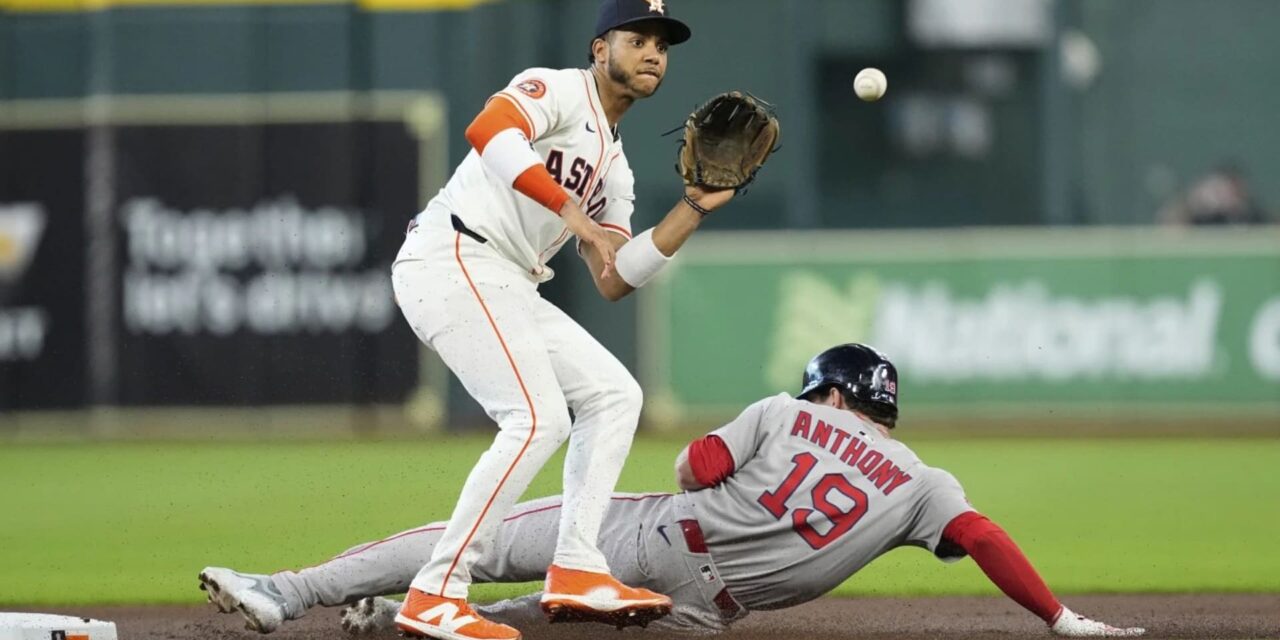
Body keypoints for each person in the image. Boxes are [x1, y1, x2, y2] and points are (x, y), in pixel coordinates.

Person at [199, 1, 738, 639]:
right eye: (638, 38)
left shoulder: (615, 168)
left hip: (507, 280)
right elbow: (489, 128)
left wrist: (691, 210)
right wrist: (571, 212)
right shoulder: (558, 89)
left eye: (662, 46)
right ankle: (437, 591)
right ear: (600, 49)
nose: (652, 53)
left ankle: (575, 563)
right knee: (537, 419)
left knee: (615, 394)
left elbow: (613, 275)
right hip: (453, 256)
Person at [200, 344, 1145, 638]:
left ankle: (289, 591)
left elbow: (695, 467)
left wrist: (726, 458)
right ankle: (393, 620)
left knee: (473, 538)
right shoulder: (925, 484)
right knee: (528, 625)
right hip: (702, 615)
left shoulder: (783, 409)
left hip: (658, 537)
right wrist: (1058, 618)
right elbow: (982, 538)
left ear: (830, 393)